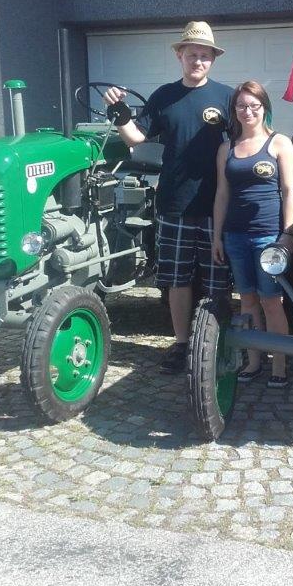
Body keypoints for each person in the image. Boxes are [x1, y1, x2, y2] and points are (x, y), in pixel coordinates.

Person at [103, 21, 233, 374]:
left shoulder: (226, 97)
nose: (198, 60)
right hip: (174, 203)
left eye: (205, 56)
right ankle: (181, 344)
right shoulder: (164, 96)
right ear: (180, 55)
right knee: (177, 278)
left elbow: (247, 141)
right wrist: (120, 114)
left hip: (216, 206)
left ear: (212, 60)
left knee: (216, 281)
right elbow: (135, 139)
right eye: (192, 54)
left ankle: (217, 344)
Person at [212, 81, 293, 388]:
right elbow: (222, 194)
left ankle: (281, 364)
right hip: (235, 237)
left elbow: (290, 192)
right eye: (241, 106)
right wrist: (217, 237)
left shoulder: (279, 144)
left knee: (271, 302)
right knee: (247, 302)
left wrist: (287, 234)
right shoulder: (227, 149)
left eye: (254, 106)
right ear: (234, 111)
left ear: (264, 108)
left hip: (268, 240)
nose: (247, 112)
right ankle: (253, 361)